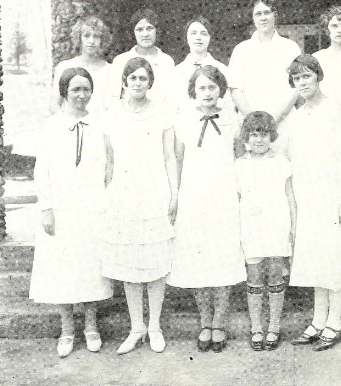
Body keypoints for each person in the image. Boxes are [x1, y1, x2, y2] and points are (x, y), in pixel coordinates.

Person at [30, 67, 113, 358]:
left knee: (90, 264)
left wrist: (105, 200)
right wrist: (47, 209)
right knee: (62, 265)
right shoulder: (51, 126)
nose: (81, 95)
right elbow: (42, 171)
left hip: (92, 207)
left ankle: (91, 325)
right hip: (62, 207)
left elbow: (108, 166)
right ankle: (67, 328)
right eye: (75, 89)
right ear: (64, 92)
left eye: (86, 89)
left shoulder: (100, 124)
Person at [167, 65, 246, 353]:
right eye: (202, 87)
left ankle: (220, 323)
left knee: (223, 257)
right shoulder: (184, 120)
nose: (207, 92)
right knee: (198, 260)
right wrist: (175, 196)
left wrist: (240, 192)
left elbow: (239, 158)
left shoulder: (231, 120)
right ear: (193, 92)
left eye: (212, 87)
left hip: (224, 197)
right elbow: (177, 161)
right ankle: (205, 322)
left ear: (220, 90)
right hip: (194, 197)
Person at [101, 57, 178, 355]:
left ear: (150, 83)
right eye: (132, 78)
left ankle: (155, 326)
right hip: (123, 195)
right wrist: (107, 195)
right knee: (131, 264)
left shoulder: (162, 113)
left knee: (155, 264)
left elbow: (170, 156)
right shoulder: (112, 115)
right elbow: (109, 160)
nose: (137, 83)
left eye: (143, 78)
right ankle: (136, 328)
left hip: (155, 192)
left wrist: (173, 194)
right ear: (124, 82)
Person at [286, 55, 341, 351]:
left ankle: (334, 321)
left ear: (318, 76)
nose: (302, 82)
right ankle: (317, 319)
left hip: (331, 194)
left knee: (334, 256)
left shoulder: (334, 109)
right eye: (297, 78)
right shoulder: (297, 116)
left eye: (307, 76)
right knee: (315, 258)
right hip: (307, 195)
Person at [235, 111, 297, 351]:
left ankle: (274, 326)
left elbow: (289, 195)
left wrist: (293, 225)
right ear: (246, 137)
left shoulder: (281, 161)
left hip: (276, 224)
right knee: (254, 277)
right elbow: (238, 196)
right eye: (253, 135)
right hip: (251, 227)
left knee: (275, 274)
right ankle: (256, 328)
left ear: (271, 136)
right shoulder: (240, 164)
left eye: (263, 134)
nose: (258, 140)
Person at [228, 0, 301, 149]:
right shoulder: (241, 50)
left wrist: (274, 119)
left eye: (267, 12)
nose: (263, 18)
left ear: (275, 15)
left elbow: (296, 87)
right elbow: (235, 89)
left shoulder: (290, 47)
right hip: (251, 128)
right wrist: (254, 122)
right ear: (253, 18)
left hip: (284, 124)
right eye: (258, 14)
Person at [107, 8, 175, 105]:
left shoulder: (167, 61)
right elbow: (112, 99)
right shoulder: (120, 61)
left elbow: (171, 99)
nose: (145, 34)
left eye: (149, 28)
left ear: (157, 30)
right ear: (133, 33)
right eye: (139, 29)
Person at [167, 16, 234, 113]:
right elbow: (171, 107)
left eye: (204, 34)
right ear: (187, 38)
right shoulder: (176, 73)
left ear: (210, 38)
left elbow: (228, 107)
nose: (198, 38)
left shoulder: (222, 70)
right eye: (193, 33)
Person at [50, 16, 112, 115]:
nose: (91, 41)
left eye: (96, 36)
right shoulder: (64, 67)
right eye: (86, 36)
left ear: (102, 40)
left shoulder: (111, 70)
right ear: (79, 38)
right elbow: (54, 105)